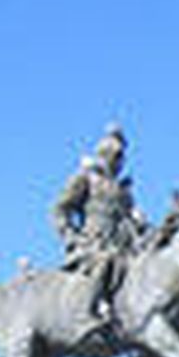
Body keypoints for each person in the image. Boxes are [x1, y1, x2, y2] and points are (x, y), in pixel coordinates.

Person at [51, 123, 146, 327]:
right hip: (93, 244)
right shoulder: (86, 178)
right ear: (103, 155)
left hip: (124, 244)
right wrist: (72, 238)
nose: (118, 162)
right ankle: (93, 308)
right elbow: (60, 209)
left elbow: (130, 217)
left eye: (120, 158)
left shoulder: (123, 189)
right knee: (106, 261)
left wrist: (140, 222)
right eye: (114, 156)